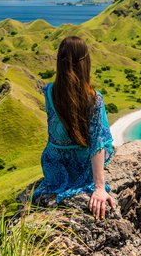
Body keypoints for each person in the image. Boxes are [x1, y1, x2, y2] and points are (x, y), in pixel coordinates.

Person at [33, 36, 115, 219]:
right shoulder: (94, 99)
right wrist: (99, 187)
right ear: (86, 63)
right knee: (104, 140)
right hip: (80, 165)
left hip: (53, 165)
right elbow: (98, 143)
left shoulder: (48, 92)